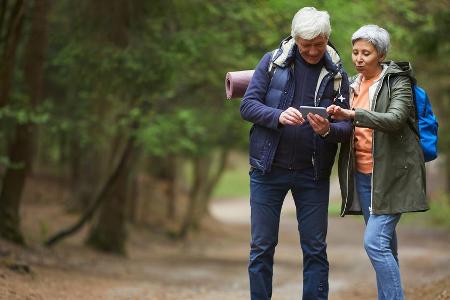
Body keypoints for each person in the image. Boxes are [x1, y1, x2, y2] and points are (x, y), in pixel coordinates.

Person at [240, 7, 352, 300]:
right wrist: (277, 115)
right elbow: (248, 105)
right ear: (295, 39)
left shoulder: (338, 74)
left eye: (319, 44)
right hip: (268, 170)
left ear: (327, 38)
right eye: (306, 45)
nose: (313, 51)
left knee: (315, 248)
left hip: (312, 173)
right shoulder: (272, 63)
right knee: (261, 246)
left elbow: (348, 127)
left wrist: (328, 130)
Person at [327, 25, 429, 299]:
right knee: (385, 245)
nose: (359, 58)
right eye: (356, 52)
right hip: (362, 174)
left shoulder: (397, 81)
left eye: (366, 53)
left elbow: (395, 120)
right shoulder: (350, 84)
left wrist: (353, 114)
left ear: (380, 54)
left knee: (374, 243)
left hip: (392, 174)